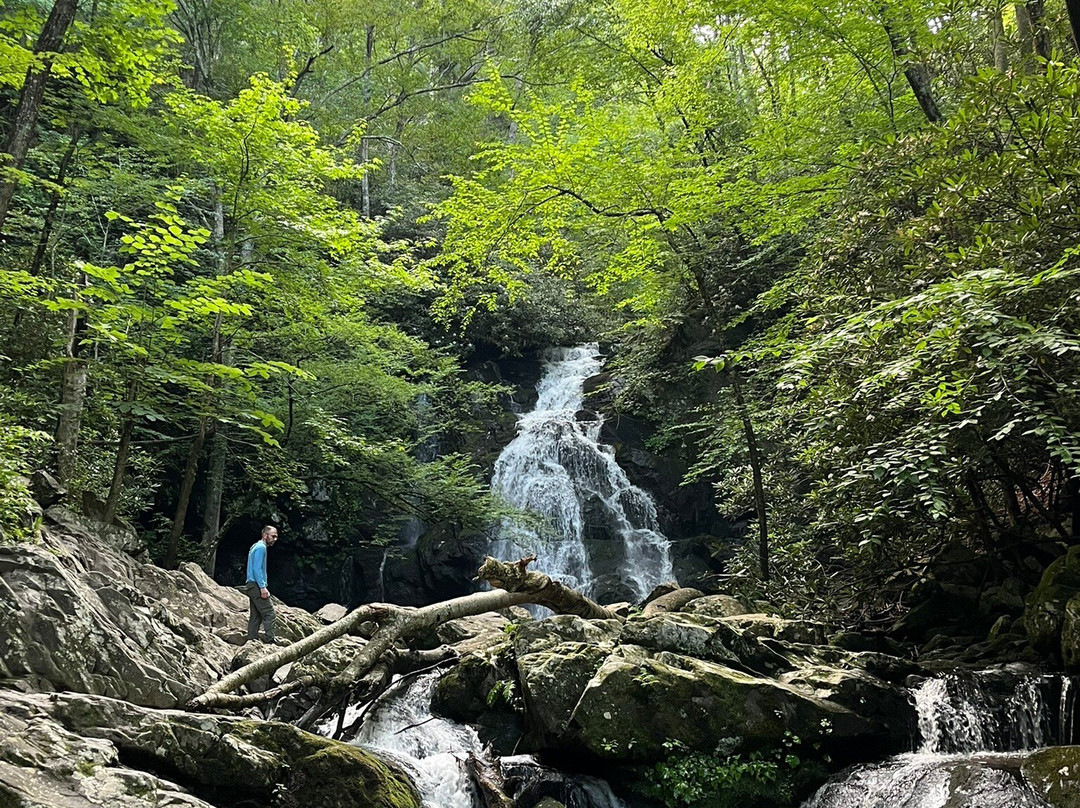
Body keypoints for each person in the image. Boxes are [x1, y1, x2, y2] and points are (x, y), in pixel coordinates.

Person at [244, 525, 278, 643]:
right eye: (273, 536)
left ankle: (252, 640)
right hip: (256, 585)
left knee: (256, 615)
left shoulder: (255, 546)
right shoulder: (261, 547)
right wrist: (263, 587)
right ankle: (270, 641)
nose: (275, 539)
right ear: (265, 535)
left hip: (251, 585)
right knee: (270, 613)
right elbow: (257, 569)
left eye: (276, 537)